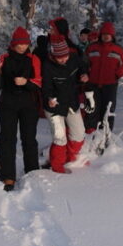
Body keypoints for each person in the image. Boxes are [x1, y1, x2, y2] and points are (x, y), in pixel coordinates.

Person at [0, 27, 42, 191]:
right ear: (13, 44)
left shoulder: (33, 59)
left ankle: (32, 171)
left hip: (28, 103)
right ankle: (8, 177)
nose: (22, 47)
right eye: (19, 44)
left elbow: (38, 83)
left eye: (25, 44)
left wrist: (25, 83)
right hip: (7, 103)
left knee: (29, 139)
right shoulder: (3, 58)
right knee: (7, 139)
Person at [40, 34, 89, 173]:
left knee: (79, 134)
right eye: (60, 57)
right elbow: (46, 87)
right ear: (53, 55)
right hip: (54, 107)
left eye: (65, 56)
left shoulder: (73, 58)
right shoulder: (48, 66)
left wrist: (84, 74)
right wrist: (49, 98)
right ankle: (57, 166)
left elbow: (83, 66)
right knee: (60, 137)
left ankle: (72, 159)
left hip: (71, 103)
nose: (63, 59)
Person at [85, 21, 123, 132]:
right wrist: (86, 73)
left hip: (110, 85)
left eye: (108, 34)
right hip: (93, 84)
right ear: (100, 35)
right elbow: (84, 63)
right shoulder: (92, 48)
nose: (106, 36)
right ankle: (91, 133)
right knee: (92, 109)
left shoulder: (118, 49)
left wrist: (117, 74)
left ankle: (106, 134)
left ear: (112, 36)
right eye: (104, 34)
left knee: (108, 110)